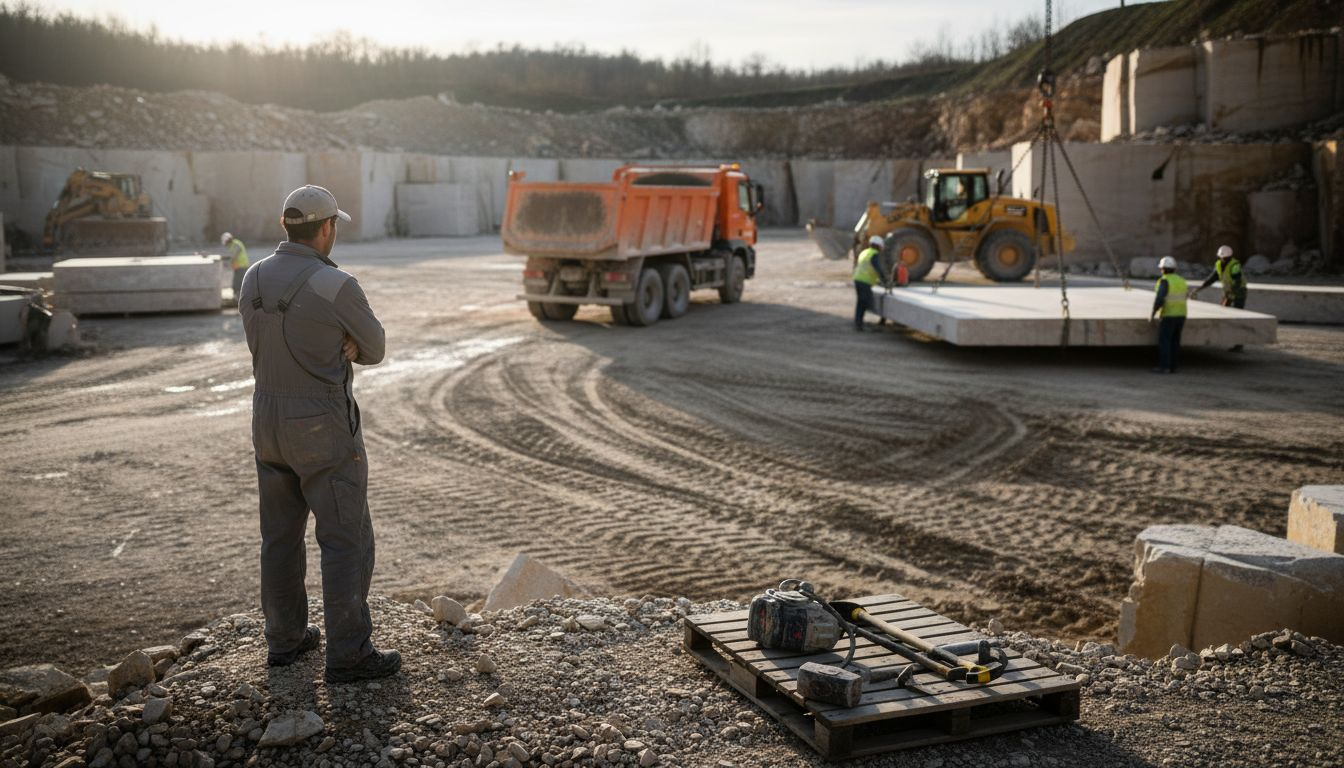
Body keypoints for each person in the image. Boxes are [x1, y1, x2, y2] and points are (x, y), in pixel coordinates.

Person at [237, 184, 399, 683]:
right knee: (345, 537)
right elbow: (375, 347)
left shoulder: (253, 277)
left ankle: (284, 640)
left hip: (267, 420)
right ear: (327, 228)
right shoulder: (337, 285)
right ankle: (348, 654)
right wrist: (344, 342)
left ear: (286, 226)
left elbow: (265, 340)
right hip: (321, 424)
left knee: (279, 538)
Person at [1192, 244, 1247, 352]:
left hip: (1239, 293)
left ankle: (1239, 344)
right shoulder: (1218, 264)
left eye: (1226, 258)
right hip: (1228, 292)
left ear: (1230, 257)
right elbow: (1212, 278)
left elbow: (1237, 282)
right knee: (1223, 313)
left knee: (1238, 315)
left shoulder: (1235, 265)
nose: (1224, 259)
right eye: (1223, 257)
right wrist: (1200, 288)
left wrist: (1232, 294)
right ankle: (1223, 337)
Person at [1149, 256, 1188, 374]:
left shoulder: (1165, 281)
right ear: (1174, 269)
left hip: (1169, 315)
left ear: (1162, 269)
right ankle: (1173, 366)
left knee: (1165, 341)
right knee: (1175, 341)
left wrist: (1153, 312)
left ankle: (1165, 366)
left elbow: (1160, 298)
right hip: (1181, 315)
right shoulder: (1181, 281)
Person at [853, 235, 885, 331]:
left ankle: (858, 322)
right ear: (879, 246)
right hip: (865, 281)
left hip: (857, 279)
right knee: (864, 302)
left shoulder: (864, 252)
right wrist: (884, 279)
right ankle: (859, 325)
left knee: (860, 302)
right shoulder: (874, 254)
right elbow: (878, 268)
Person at [220, 232, 250, 302]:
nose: (226, 245)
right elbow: (231, 256)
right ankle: (238, 298)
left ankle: (238, 299)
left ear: (227, 240)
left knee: (237, 284)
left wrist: (226, 262)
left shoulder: (236, 244)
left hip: (242, 266)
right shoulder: (232, 245)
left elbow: (234, 255)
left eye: (226, 243)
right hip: (238, 267)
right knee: (238, 283)